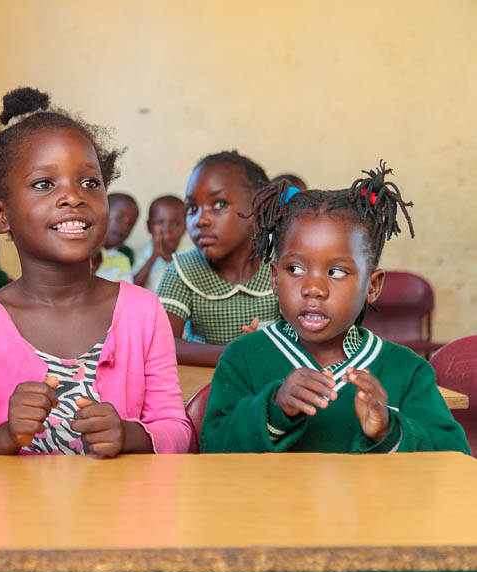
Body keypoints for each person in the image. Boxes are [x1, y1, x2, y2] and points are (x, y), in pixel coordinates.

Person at [0, 87, 190, 456]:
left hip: (122, 496)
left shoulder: (143, 312)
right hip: (14, 498)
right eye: (44, 184)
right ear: (0, 214)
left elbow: (177, 430)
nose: (74, 197)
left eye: (90, 183)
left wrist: (128, 435)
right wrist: (6, 435)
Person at [201, 162, 470, 454]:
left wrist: (389, 430)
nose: (313, 288)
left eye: (336, 272)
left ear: (372, 286)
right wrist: (274, 410)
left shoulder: (407, 370)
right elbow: (212, 448)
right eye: (295, 269)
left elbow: (452, 455)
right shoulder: (243, 358)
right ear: (275, 278)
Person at [157, 151, 279, 366]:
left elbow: (306, 338)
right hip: (203, 384)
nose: (200, 220)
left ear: (257, 210)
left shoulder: (282, 266)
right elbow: (160, 343)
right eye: (192, 208)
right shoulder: (183, 270)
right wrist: (236, 354)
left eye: (219, 204)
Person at [131, 195, 187, 290]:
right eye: (160, 223)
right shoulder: (139, 254)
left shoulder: (192, 254)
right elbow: (132, 289)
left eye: (175, 224)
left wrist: (169, 259)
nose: (167, 230)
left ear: (186, 227)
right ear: (149, 226)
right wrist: (153, 258)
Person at [104, 192, 139, 265]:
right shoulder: (83, 249)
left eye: (131, 223)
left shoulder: (126, 254)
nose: (125, 227)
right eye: (119, 218)